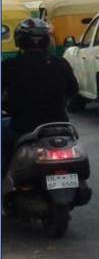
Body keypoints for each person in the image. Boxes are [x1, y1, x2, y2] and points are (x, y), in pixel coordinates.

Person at [1, 19, 80, 180]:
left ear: (19, 41)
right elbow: (73, 90)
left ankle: (4, 179)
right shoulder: (61, 63)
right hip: (60, 126)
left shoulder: (10, 66)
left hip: (22, 127)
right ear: (47, 41)